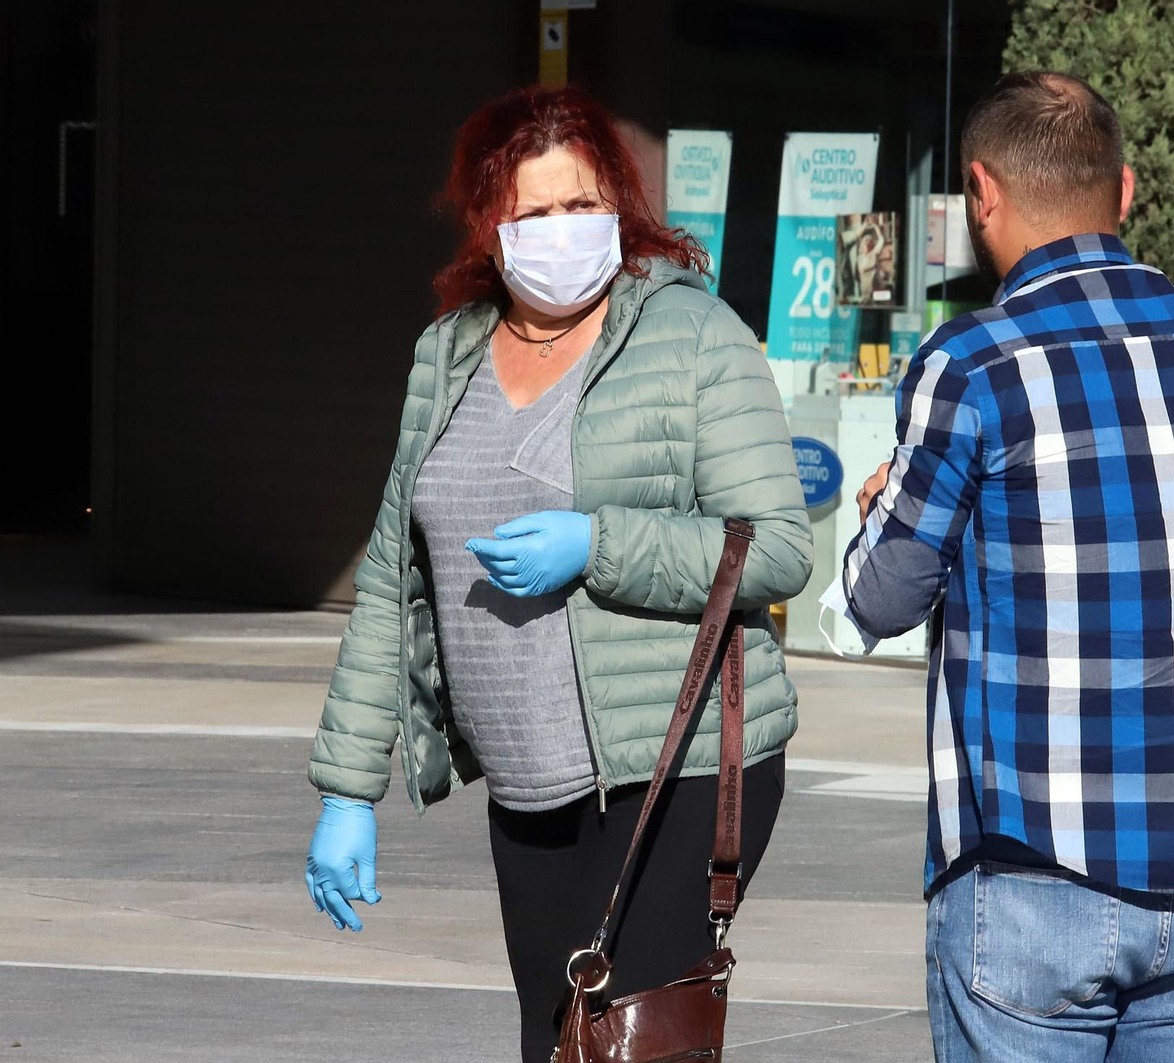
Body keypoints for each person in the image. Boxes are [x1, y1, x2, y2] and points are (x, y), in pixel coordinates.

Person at [302, 85, 812, 1063]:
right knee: (558, 1043)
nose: (562, 229)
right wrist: (343, 791)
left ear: (620, 207)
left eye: (582, 205)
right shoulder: (444, 356)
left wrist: (597, 543)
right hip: (528, 782)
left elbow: (775, 542)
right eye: (534, 212)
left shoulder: (693, 337)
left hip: (676, 764)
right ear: (490, 230)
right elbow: (391, 582)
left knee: (628, 1040)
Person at [838, 72, 1174, 1062]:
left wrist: (883, 510)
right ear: (1125, 190)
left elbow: (879, 597)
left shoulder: (973, 365)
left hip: (1035, 864)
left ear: (980, 194)